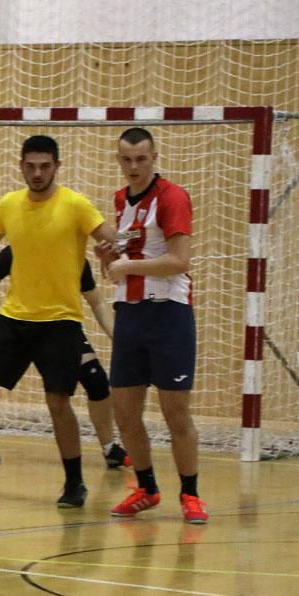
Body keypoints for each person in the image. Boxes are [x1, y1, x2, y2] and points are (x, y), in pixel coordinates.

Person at [0, 135, 115, 507]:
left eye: (45, 166)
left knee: (58, 402)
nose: (38, 173)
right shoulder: (9, 205)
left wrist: (115, 249)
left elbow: (108, 237)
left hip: (61, 322)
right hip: (14, 318)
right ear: (21, 166)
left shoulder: (76, 205)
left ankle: (74, 482)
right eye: (31, 166)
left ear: (57, 166)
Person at [97, 127, 206, 523]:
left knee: (175, 413)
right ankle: (146, 489)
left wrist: (128, 266)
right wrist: (107, 259)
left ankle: (190, 494)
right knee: (124, 412)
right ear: (118, 160)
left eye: (141, 159)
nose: (133, 167)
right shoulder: (120, 199)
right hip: (130, 315)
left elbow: (179, 260)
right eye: (126, 159)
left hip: (168, 315)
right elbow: (120, 266)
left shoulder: (172, 197)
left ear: (154, 158)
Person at [0, 246, 129, 470]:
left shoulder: (73, 257)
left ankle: (110, 449)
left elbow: (96, 301)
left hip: (59, 330)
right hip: (20, 328)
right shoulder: (15, 251)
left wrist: (119, 339)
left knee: (95, 378)